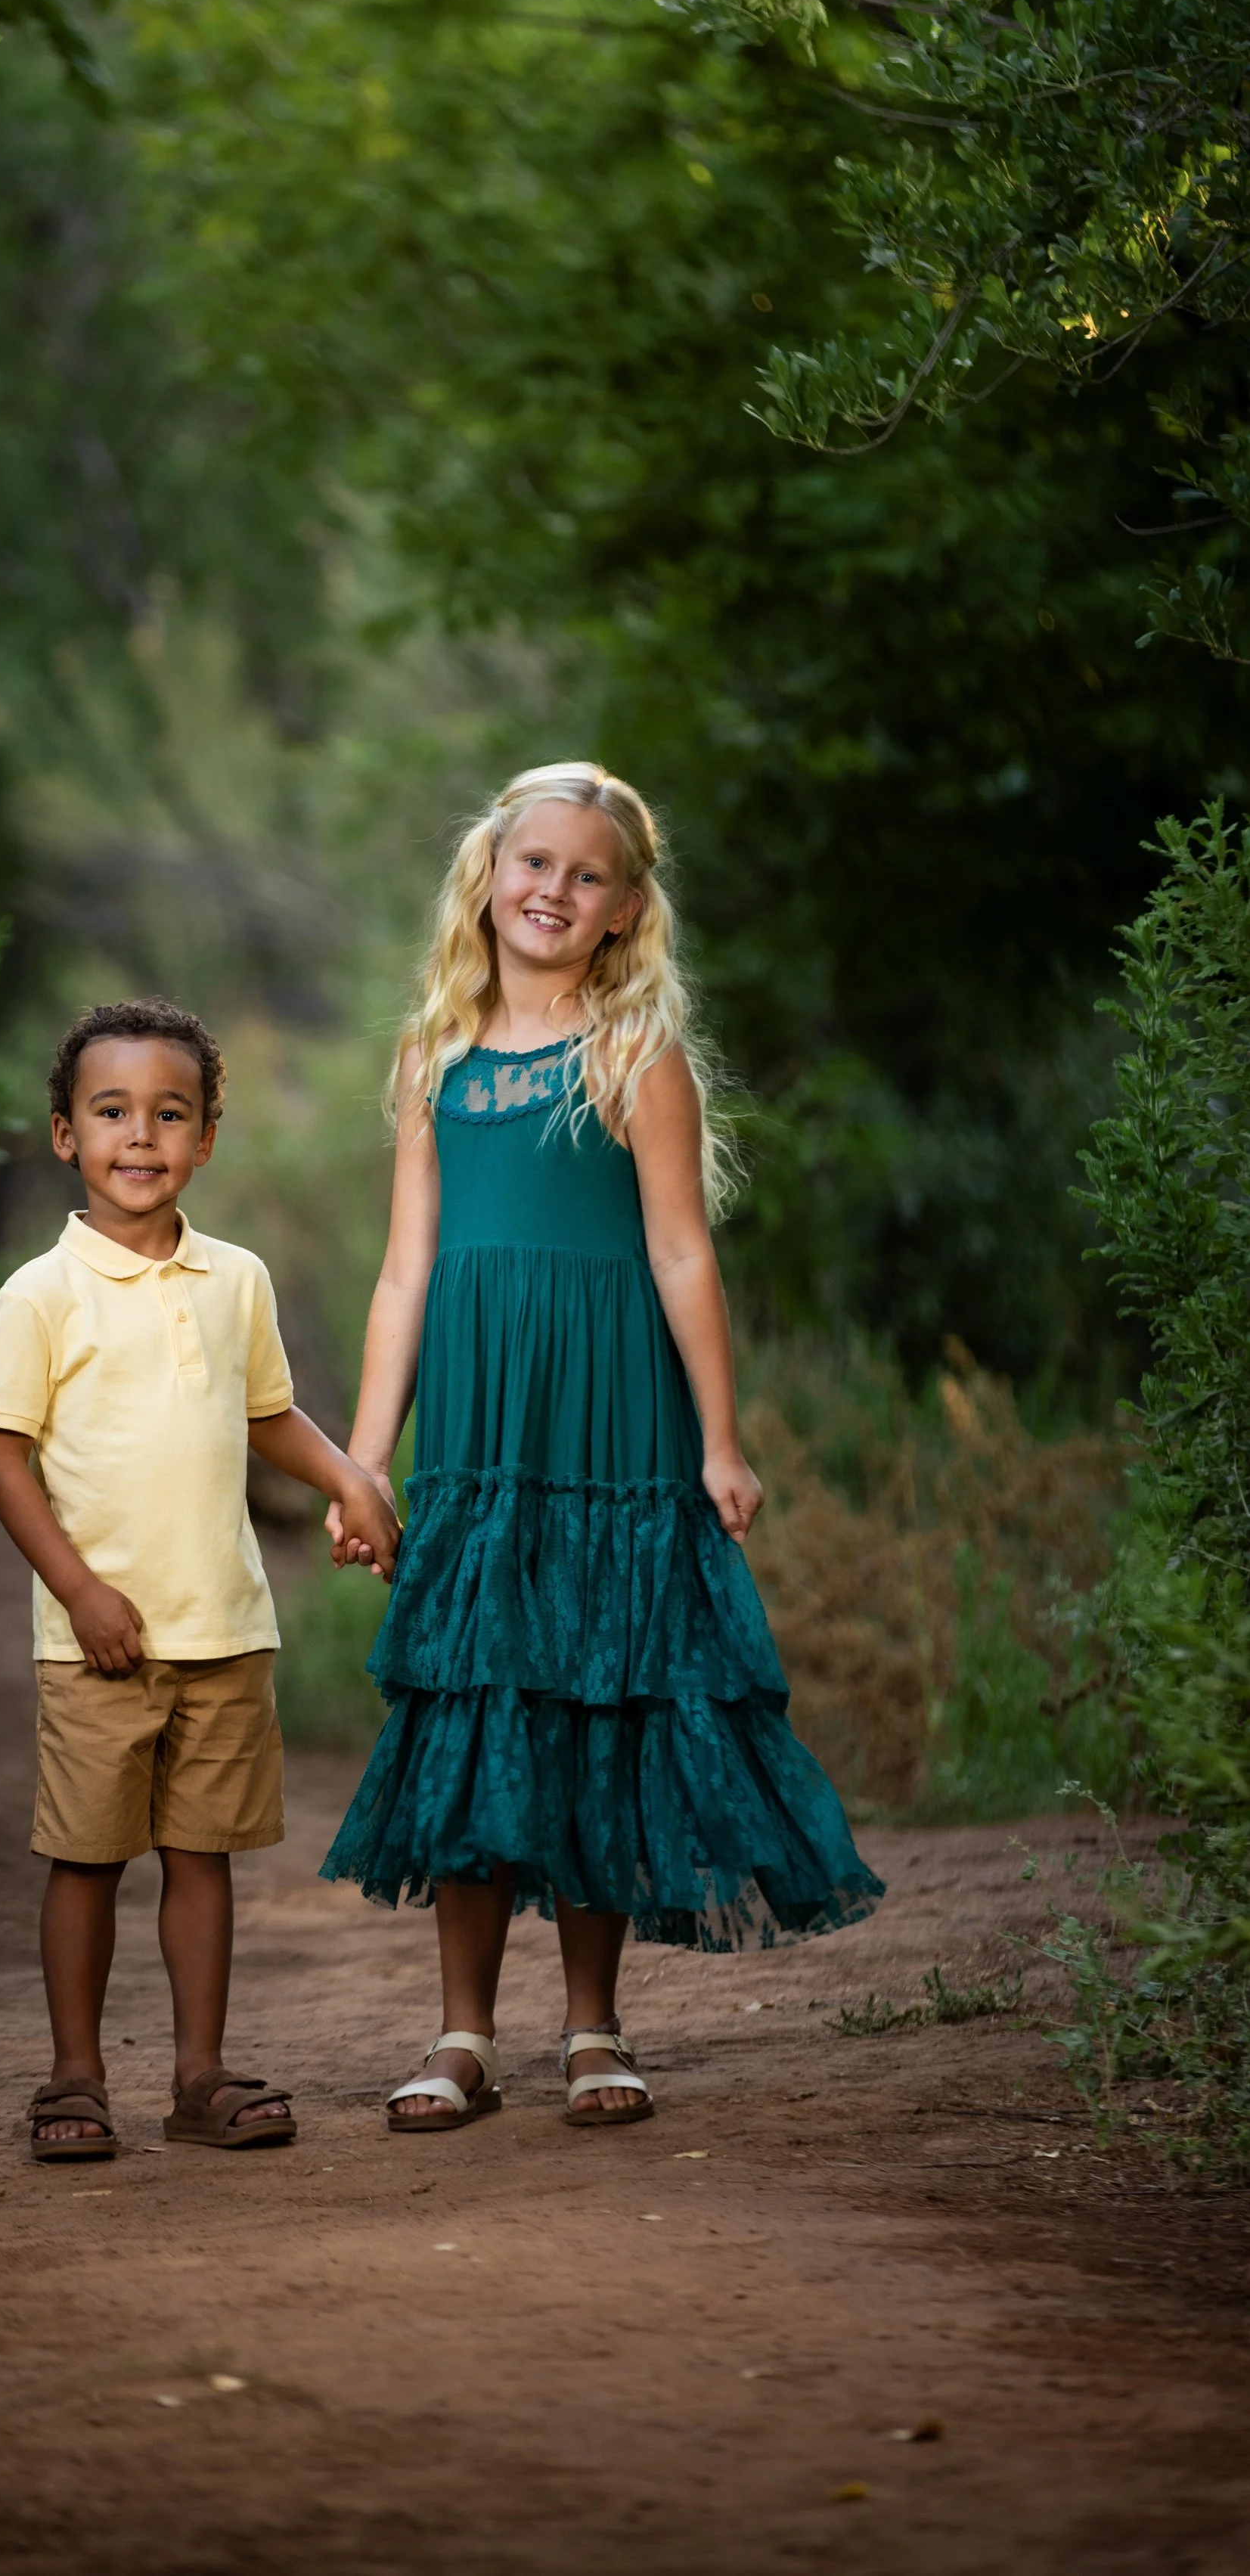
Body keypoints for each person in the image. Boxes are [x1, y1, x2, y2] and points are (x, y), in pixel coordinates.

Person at [321, 764, 882, 2133]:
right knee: (472, 1703)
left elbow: (684, 1251)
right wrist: (365, 1458)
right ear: (488, 877)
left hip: (616, 1424)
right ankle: (460, 2033)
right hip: (481, 1431)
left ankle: (592, 2025)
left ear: (627, 909)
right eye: (534, 865)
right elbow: (404, 1275)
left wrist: (722, 1440)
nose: (553, 892)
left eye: (586, 876)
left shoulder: (635, 1056)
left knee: (594, 1701)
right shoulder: (435, 1060)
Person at [0, 997, 399, 2164]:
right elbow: (1, 1457)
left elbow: (269, 1415)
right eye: (112, 1112)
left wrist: (355, 1478)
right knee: (88, 1858)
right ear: (66, 1134)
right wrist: (79, 1590)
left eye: (171, 1114)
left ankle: (199, 2075)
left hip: (222, 1627)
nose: (142, 1137)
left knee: (200, 1857)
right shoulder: (40, 1295)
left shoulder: (236, 1280)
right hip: (98, 1638)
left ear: (207, 1137)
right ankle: (73, 2074)